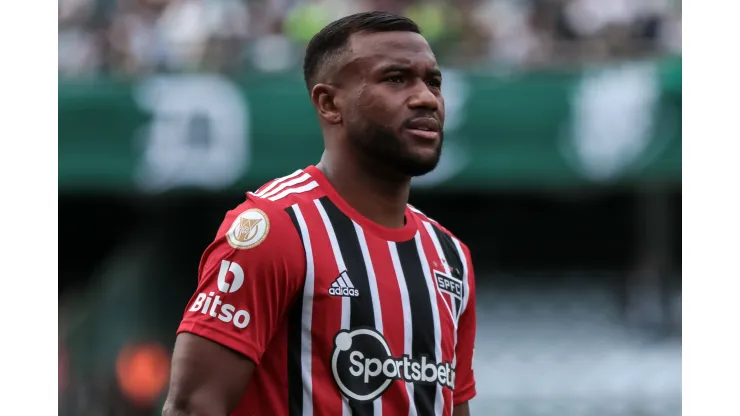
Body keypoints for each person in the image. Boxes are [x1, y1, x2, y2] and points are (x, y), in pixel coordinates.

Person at [162, 11, 477, 416]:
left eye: (433, 82)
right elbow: (192, 407)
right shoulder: (276, 229)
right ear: (329, 103)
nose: (426, 98)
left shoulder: (451, 257)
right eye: (396, 79)